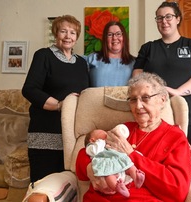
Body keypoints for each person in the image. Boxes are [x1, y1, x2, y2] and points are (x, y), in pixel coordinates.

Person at [76, 72, 191, 202]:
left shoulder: (175, 137)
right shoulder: (123, 130)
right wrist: (89, 168)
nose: (138, 106)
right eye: (133, 99)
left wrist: (131, 154)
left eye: (145, 97)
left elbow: (177, 190)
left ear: (162, 100)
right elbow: (88, 151)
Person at [132, 1, 191, 154]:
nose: (164, 21)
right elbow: (137, 76)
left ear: (178, 19)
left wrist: (177, 92)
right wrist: (156, 91)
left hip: (189, 113)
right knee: (156, 159)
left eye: (168, 16)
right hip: (155, 115)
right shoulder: (148, 48)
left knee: (187, 160)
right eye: (159, 18)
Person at [22, 15, 89, 185]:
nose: (68, 36)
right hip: (45, 130)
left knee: (68, 185)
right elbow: (29, 89)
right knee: (43, 185)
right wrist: (60, 105)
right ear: (55, 34)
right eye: (63, 31)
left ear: (77, 37)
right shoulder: (44, 55)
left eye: (72, 32)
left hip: (70, 135)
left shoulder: (81, 63)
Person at [85, 124, 145, 198]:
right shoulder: (91, 147)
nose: (106, 133)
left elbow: (131, 154)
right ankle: (117, 186)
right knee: (108, 175)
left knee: (129, 165)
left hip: (118, 161)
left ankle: (137, 176)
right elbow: (88, 153)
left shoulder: (106, 144)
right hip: (105, 163)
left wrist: (134, 154)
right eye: (102, 132)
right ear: (92, 140)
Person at [84, 21, 135, 87]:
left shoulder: (135, 62)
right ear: (105, 39)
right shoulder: (92, 58)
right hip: (95, 97)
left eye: (118, 34)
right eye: (110, 35)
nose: (114, 38)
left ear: (124, 37)